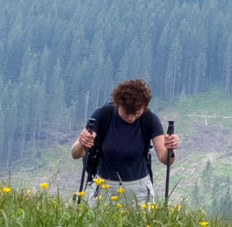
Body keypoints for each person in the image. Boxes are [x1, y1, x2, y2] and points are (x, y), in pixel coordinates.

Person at [72, 78, 181, 206]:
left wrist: (171, 148)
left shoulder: (149, 120)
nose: (131, 118)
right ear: (118, 104)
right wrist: (81, 142)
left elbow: (166, 160)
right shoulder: (102, 115)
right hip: (104, 187)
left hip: (138, 190)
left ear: (144, 106)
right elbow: (75, 154)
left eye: (137, 113)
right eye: (126, 113)